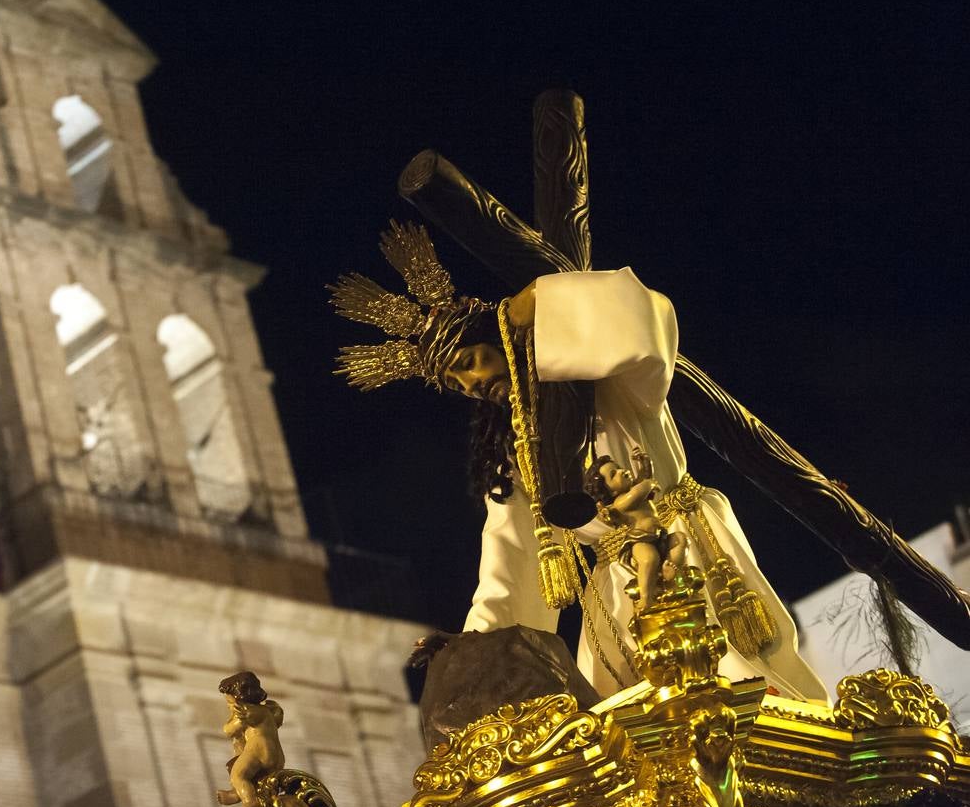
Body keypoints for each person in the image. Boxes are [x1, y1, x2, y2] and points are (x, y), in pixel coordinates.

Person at [333, 223, 827, 701]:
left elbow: (640, 318)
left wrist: (543, 300)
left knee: (734, 683)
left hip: (686, 545)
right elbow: (509, 554)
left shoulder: (605, 383)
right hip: (614, 585)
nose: (472, 385)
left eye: (469, 362)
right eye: (456, 385)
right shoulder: (517, 452)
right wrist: (476, 644)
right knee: (629, 715)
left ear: (500, 338)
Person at [585, 449, 688, 612]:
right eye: (613, 474)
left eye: (618, 467)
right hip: (639, 539)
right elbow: (639, 491)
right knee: (649, 559)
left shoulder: (634, 489)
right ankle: (646, 599)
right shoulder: (620, 503)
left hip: (659, 535)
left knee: (680, 540)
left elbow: (644, 478)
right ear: (610, 491)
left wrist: (645, 463)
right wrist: (649, 484)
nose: (621, 471)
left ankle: (670, 569)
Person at [216, 671, 285, 807]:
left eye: (230, 703)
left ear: (240, 698)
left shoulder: (248, 711)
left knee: (238, 775)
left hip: (259, 750)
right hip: (277, 757)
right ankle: (237, 794)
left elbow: (229, 730)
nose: (229, 706)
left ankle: (250, 803)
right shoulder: (267, 711)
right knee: (246, 774)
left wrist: (232, 717)